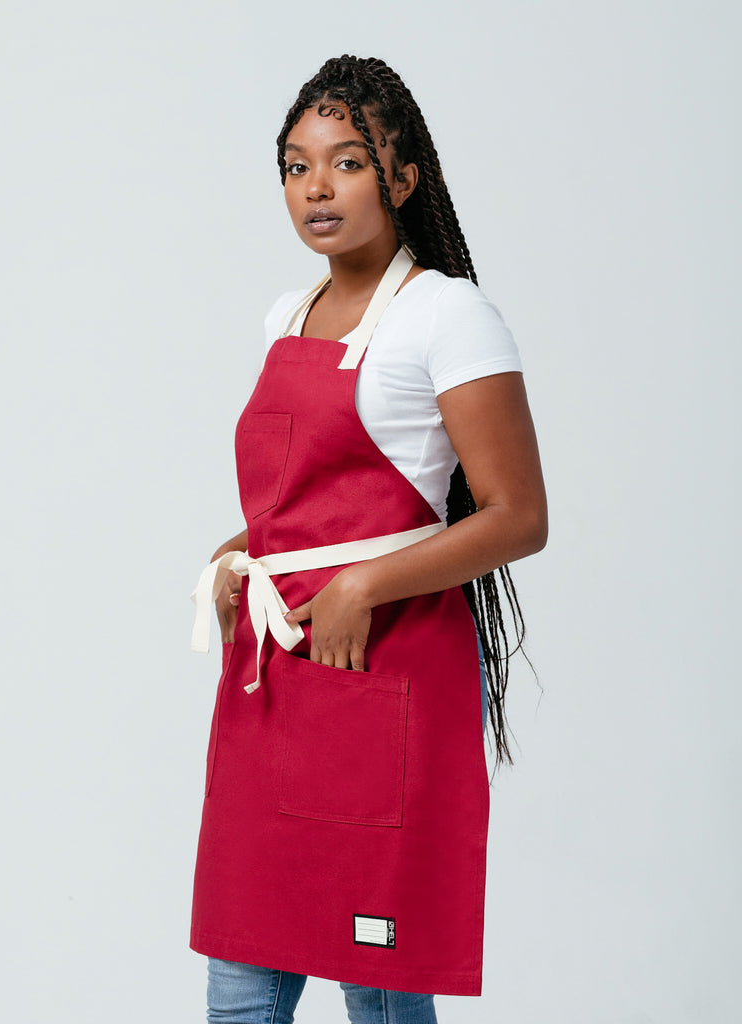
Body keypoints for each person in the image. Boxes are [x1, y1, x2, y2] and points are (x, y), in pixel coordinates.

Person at [189, 55, 547, 1024]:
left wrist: (360, 588)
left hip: (386, 677)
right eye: (297, 166)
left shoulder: (449, 315)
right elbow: (302, 504)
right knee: (241, 979)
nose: (317, 187)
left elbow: (518, 514)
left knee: (376, 986)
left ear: (402, 177)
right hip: (277, 682)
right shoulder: (287, 314)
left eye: (347, 161)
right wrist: (234, 556)